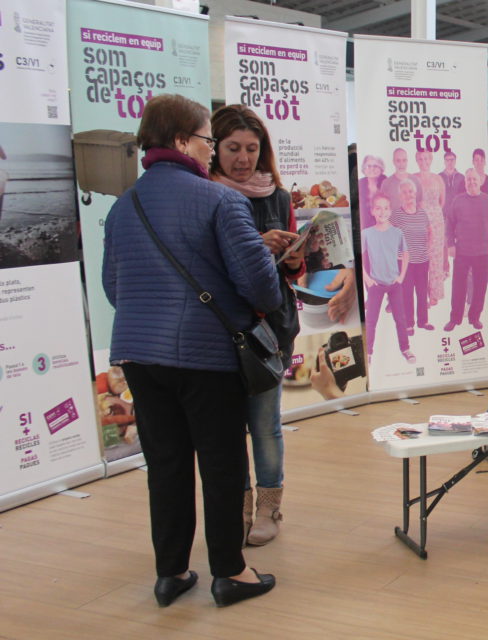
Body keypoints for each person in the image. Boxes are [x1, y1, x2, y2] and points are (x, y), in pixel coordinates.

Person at [101, 94, 279, 608]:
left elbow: (116, 289)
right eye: (206, 139)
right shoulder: (222, 201)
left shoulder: (123, 205)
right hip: (206, 356)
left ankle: (171, 573)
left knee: (166, 464)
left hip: (138, 354)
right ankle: (230, 573)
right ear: (182, 141)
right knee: (222, 464)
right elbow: (260, 288)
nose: (210, 151)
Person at [209, 104, 301, 548]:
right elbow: (207, 265)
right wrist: (255, 246)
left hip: (271, 327)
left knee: (265, 423)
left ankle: (269, 507)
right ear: (214, 149)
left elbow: (293, 273)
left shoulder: (279, 198)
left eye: (251, 148)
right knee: (226, 427)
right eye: (232, 148)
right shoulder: (205, 193)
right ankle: (240, 506)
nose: (243, 158)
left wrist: (295, 258)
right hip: (221, 325)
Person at [362, 194, 412, 363]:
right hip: (376, 284)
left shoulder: (397, 233)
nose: (382, 211)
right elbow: (358, 257)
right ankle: (368, 352)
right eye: (378, 208)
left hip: (394, 284)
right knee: (371, 320)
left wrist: (401, 276)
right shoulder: (367, 234)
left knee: (401, 318)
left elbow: (406, 253)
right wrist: (367, 279)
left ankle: (405, 348)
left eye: (385, 208)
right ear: (372, 211)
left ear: (390, 211)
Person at [443, 168, 488, 332]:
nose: (471, 182)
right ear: (465, 183)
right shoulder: (458, 201)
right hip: (462, 251)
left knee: (480, 288)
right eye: (468, 180)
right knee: (458, 287)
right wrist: (450, 245)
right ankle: (454, 319)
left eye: (474, 179)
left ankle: (474, 317)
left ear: (479, 181)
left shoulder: (487, 201)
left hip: (483, 252)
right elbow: (449, 224)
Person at [390, 178, 432, 340]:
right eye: (405, 192)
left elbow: (429, 232)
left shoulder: (422, 213)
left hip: (423, 261)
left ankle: (423, 321)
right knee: (407, 294)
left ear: (415, 193)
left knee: (422, 293)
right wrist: (395, 254)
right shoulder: (396, 215)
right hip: (405, 264)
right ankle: (409, 324)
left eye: (411, 191)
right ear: (400, 195)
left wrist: (427, 247)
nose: (409, 195)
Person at [412, 149, 449, 305]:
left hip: (436, 221)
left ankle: (433, 295)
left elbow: (442, 201)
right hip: (419, 222)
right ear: (417, 160)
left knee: (435, 258)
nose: (424, 161)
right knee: (420, 258)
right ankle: (420, 294)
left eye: (426, 158)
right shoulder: (412, 178)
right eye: (421, 158)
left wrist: (432, 213)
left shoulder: (438, 179)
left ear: (431, 159)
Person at [379, 147, 414, 214]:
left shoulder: (415, 180)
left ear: (407, 161)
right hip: (393, 223)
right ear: (393, 162)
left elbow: (420, 204)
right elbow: (382, 206)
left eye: (404, 160)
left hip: (412, 222)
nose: (401, 164)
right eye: (398, 160)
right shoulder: (386, 183)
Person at [357, 154, 385, 230]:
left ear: (381, 169)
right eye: (368, 166)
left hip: (384, 225)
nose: (372, 169)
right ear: (364, 169)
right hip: (363, 227)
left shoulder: (386, 182)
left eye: (375, 166)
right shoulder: (359, 183)